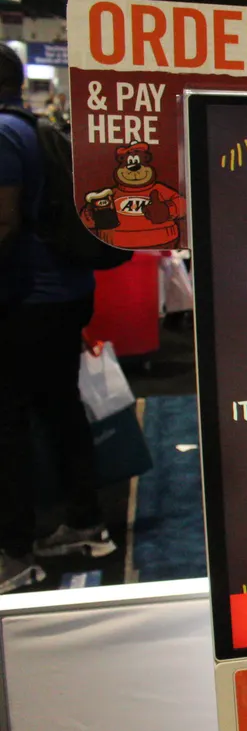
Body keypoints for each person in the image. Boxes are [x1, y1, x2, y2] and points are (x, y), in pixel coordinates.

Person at [0, 45, 114, 588]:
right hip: (60, 293)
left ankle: (15, 552)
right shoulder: (31, 128)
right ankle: (84, 521)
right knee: (59, 409)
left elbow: (3, 221)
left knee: (12, 424)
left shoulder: (4, 134)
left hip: (26, 301)